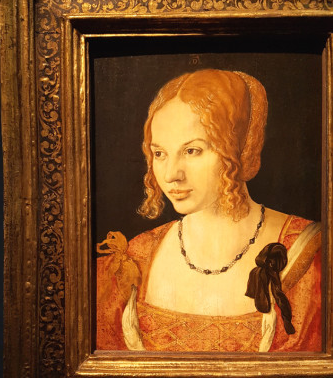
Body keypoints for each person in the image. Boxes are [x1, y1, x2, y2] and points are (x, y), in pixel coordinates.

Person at [96, 69, 322, 352]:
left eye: (192, 151)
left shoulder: (309, 251)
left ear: (238, 147)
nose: (171, 174)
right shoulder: (133, 260)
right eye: (159, 154)